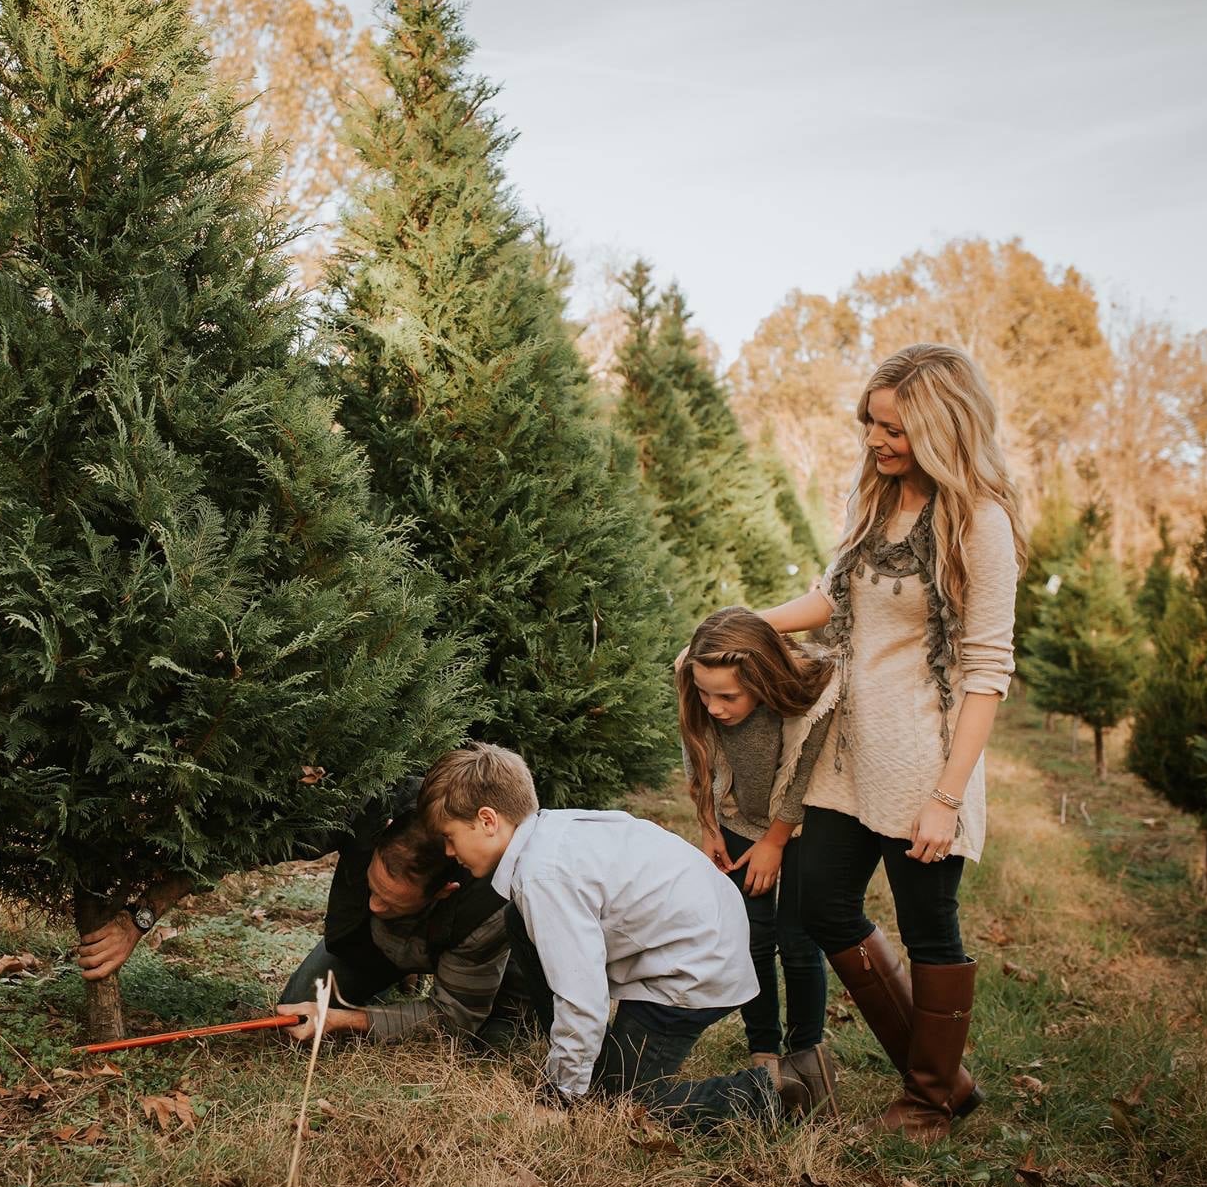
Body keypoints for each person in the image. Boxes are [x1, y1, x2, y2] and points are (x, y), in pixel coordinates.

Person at [750, 342, 1024, 1143]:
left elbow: (986, 669)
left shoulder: (980, 522)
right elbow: (831, 602)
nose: (876, 439)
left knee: (929, 927)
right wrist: (739, 625)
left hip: (922, 763)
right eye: (871, 421)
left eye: (895, 429)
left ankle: (932, 1095)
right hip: (845, 751)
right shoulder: (873, 501)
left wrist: (946, 795)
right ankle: (943, 1075)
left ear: (941, 429)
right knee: (817, 901)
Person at [420, 742, 779, 1128]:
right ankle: (589, 1061)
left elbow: (582, 996)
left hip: (695, 968)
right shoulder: (548, 834)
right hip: (699, 936)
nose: (448, 851)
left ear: (488, 820)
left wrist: (559, 1094)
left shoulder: (544, 877)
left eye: (449, 836)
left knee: (621, 1102)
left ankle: (775, 1089)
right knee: (519, 923)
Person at [677, 606, 840, 1116]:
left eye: (729, 696)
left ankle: (806, 1053)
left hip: (800, 826)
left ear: (764, 678)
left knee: (797, 939)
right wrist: (709, 828)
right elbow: (697, 756)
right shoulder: (697, 684)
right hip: (734, 819)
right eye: (706, 694)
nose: (715, 706)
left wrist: (774, 841)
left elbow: (803, 775)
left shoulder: (812, 698)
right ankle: (764, 1049)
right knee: (752, 937)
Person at [272, 786, 526, 1048]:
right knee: (297, 1004)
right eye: (374, 887)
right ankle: (402, 971)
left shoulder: (487, 904)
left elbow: (452, 1018)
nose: (374, 906)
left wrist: (341, 1019)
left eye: (392, 903)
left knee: (492, 1042)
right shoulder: (373, 807)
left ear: (443, 892)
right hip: (378, 945)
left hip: (470, 954)